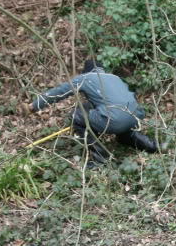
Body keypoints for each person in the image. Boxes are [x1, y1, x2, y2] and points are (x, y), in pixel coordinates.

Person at [25, 59, 160, 167]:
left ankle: (99, 160)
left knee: (76, 115)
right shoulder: (114, 77)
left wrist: (34, 106)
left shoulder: (85, 78)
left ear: (86, 71)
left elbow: (59, 92)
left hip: (115, 119)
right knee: (117, 119)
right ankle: (152, 145)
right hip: (135, 115)